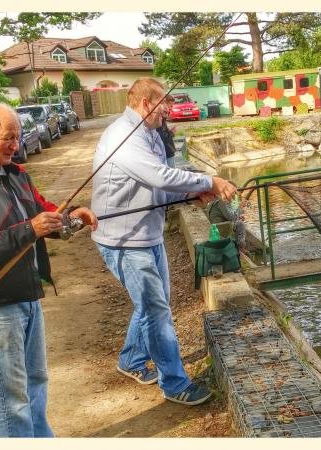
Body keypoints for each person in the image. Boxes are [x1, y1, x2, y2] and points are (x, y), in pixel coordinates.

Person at [0, 102, 98, 437]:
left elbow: (41, 212)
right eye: (9, 137)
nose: (16, 144)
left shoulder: (16, 174)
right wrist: (29, 230)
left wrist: (71, 218)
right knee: (12, 398)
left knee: (36, 380)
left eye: (18, 136)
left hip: (27, 293)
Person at [91, 77, 237, 406]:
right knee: (156, 310)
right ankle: (174, 382)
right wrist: (209, 180)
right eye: (163, 104)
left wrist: (191, 194)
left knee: (155, 303)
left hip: (147, 233)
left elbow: (158, 185)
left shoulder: (151, 133)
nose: (167, 110)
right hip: (124, 239)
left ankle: (131, 359)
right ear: (146, 104)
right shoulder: (123, 135)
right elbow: (159, 176)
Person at [156, 95, 177, 167]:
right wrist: (172, 133)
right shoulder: (159, 120)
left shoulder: (163, 119)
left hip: (168, 152)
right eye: (170, 106)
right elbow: (162, 138)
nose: (170, 108)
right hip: (167, 153)